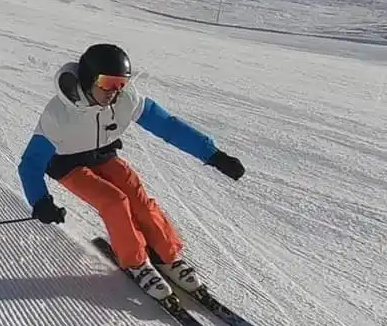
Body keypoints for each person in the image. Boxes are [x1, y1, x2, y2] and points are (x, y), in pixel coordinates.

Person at [17, 43, 245, 301]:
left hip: (103, 155)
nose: (114, 92)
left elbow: (168, 126)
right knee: (114, 201)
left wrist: (212, 154)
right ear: (88, 79)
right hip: (68, 164)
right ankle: (136, 262)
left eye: (121, 83)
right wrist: (40, 201)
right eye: (107, 82)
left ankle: (167, 256)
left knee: (139, 199)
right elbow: (31, 164)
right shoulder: (59, 115)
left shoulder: (125, 100)